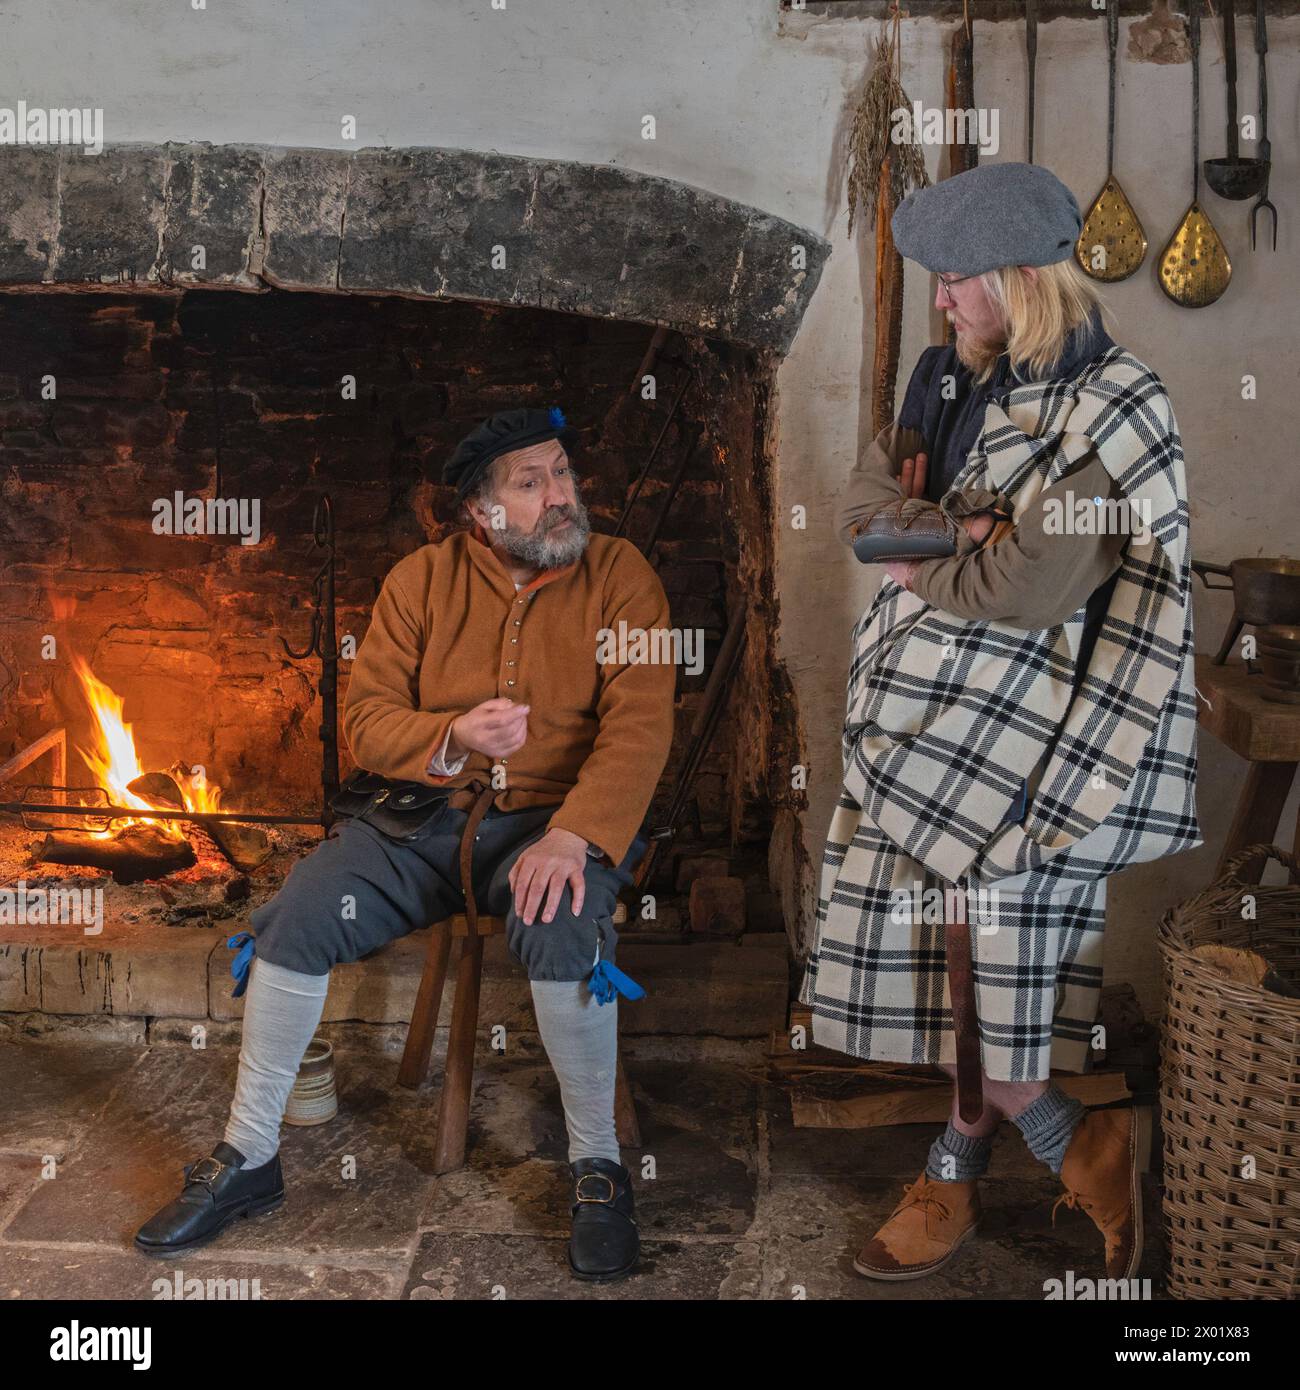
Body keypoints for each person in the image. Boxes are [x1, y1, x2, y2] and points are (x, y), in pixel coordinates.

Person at [135, 408, 676, 1283]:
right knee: (302, 912)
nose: (559, 497)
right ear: (480, 512)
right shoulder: (421, 582)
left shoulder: (621, 575)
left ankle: (598, 1168)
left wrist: (575, 835)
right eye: (530, 483)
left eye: (563, 473)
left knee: (564, 925)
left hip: (556, 825)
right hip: (421, 822)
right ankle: (249, 1156)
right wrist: (454, 734)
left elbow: (642, 726)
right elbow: (367, 722)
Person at [801, 163, 1201, 1283]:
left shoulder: (1117, 405)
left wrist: (939, 544)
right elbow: (863, 511)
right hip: (914, 720)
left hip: (1035, 742)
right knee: (950, 973)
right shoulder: (943, 373)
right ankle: (1052, 1151)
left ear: (1025, 281)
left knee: (1000, 984)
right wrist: (957, 531)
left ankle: (1014, 1158)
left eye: (956, 278)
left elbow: (1026, 589)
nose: (939, 300)